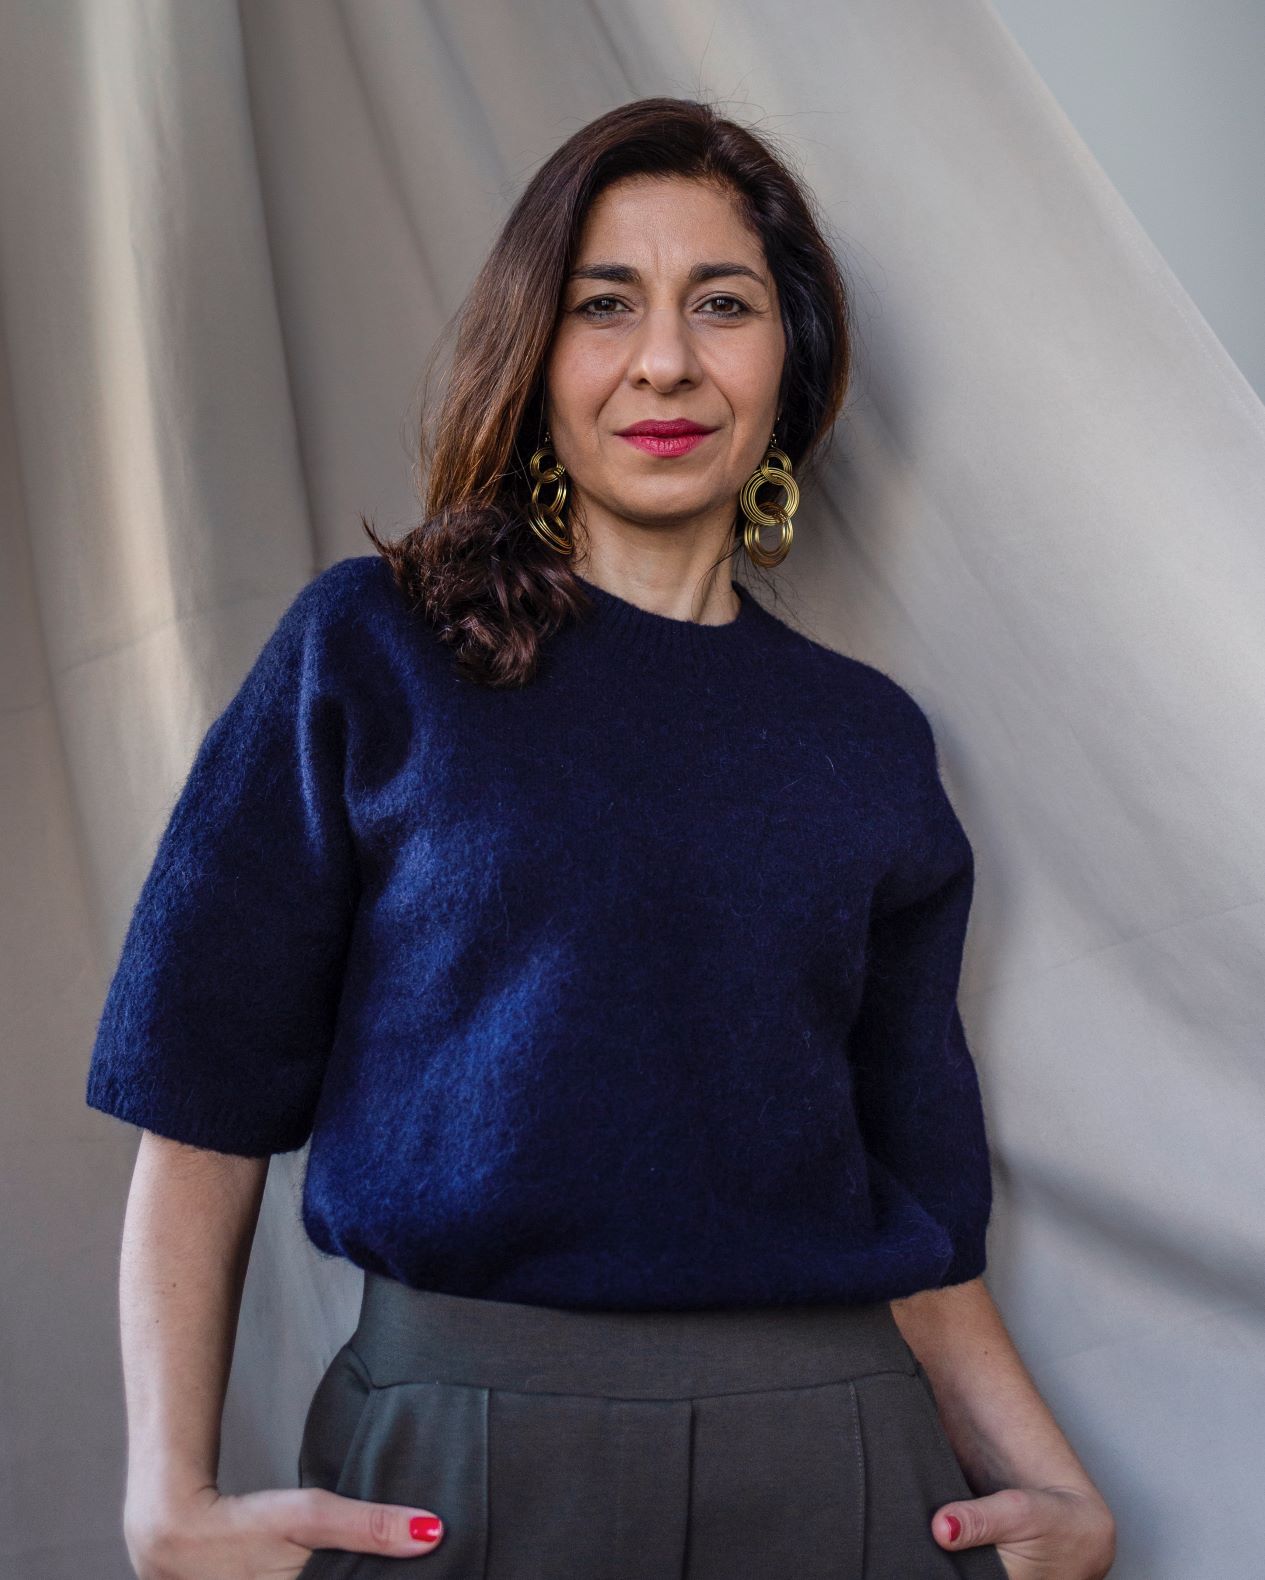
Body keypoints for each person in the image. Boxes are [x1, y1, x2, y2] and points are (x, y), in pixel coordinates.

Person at [87, 97, 1116, 1580]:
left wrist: (1059, 1491)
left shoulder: (868, 738)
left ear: (789, 357)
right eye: (605, 303)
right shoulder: (372, 652)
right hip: (465, 1457)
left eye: (724, 305)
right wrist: (164, 1495)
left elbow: (914, 1206)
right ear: (535, 350)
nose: (665, 361)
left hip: (839, 1459)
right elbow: (199, 1092)